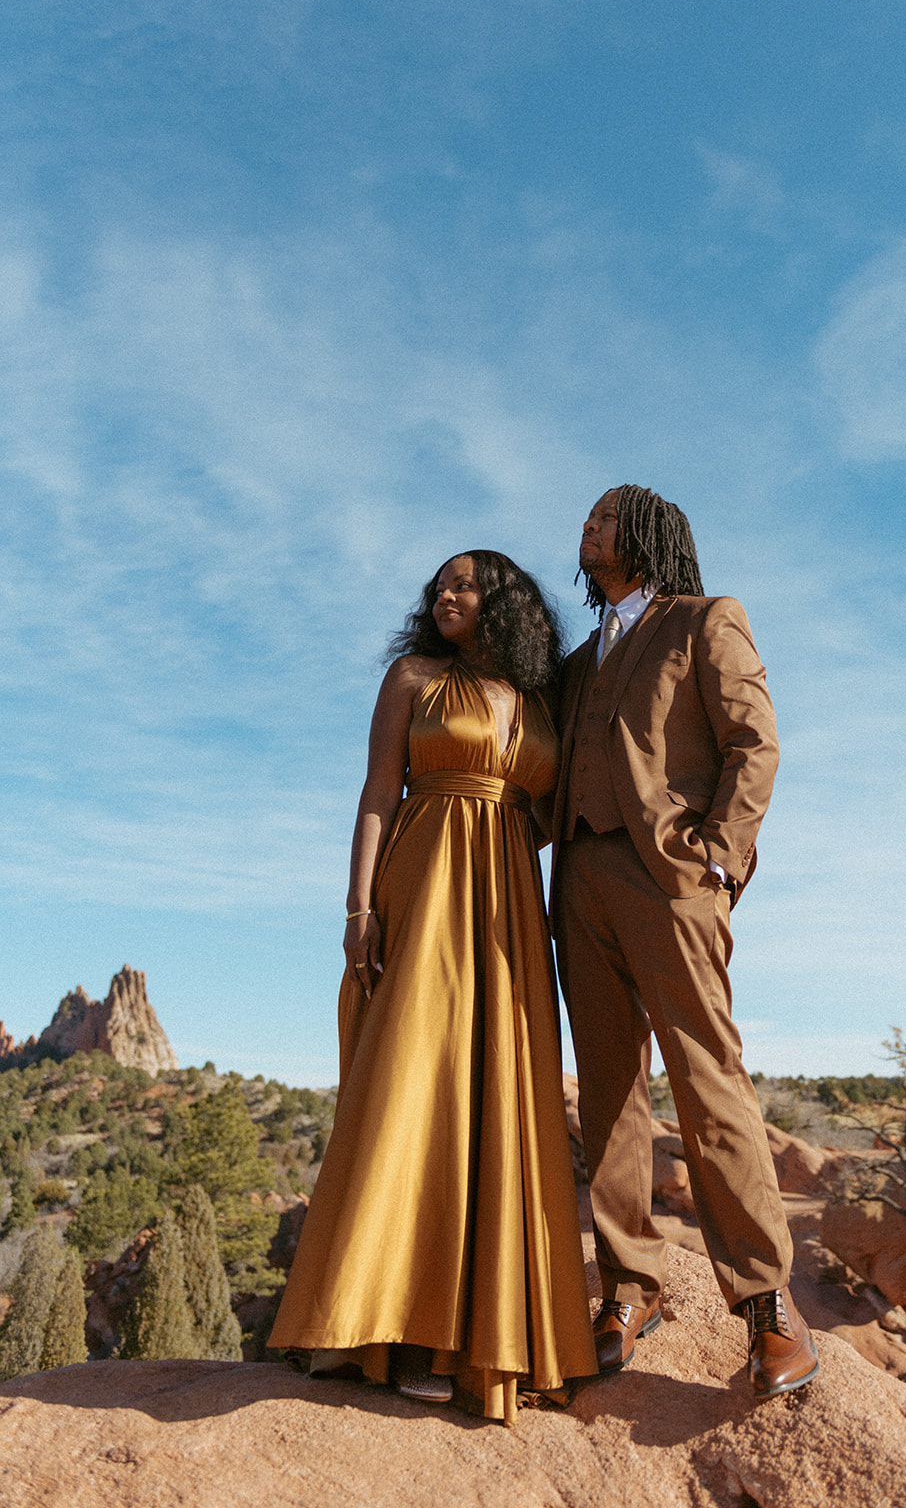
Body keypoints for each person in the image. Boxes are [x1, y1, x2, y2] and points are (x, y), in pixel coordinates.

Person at [269, 551, 597, 1424]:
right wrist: (357, 909)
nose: (444, 596)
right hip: (422, 881)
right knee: (414, 1086)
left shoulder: (541, 701)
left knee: (496, 1095)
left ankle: (483, 1336)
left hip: (509, 905)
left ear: (507, 604)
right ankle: (394, 1327)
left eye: (464, 585)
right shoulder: (413, 677)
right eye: (438, 588)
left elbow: (557, 806)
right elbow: (378, 792)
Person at [551, 485, 818, 1399]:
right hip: (578, 882)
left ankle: (767, 1305)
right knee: (611, 1095)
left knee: (709, 1082)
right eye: (585, 519)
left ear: (650, 535)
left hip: (673, 883)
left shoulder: (708, 620)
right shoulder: (579, 658)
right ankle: (629, 1288)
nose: (586, 527)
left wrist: (720, 860)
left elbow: (756, 743)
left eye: (604, 517)